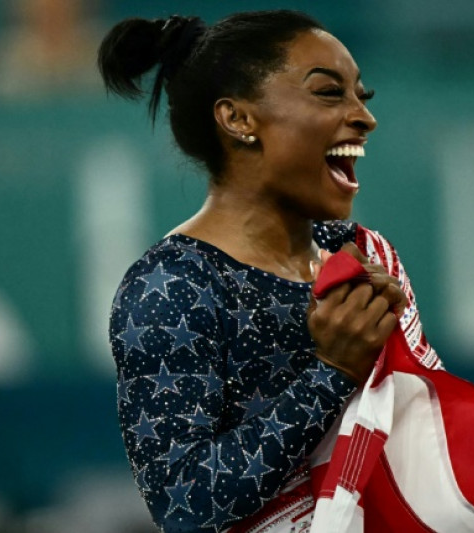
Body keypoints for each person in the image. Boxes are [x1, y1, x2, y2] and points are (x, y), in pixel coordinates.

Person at [100, 11, 440, 532]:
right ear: (238, 119)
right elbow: (186, 506)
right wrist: (331, 373)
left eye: (361, 97)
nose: (364, 117)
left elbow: (432, 447)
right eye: (329, 93)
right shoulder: (172, 286)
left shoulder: (360, 253)